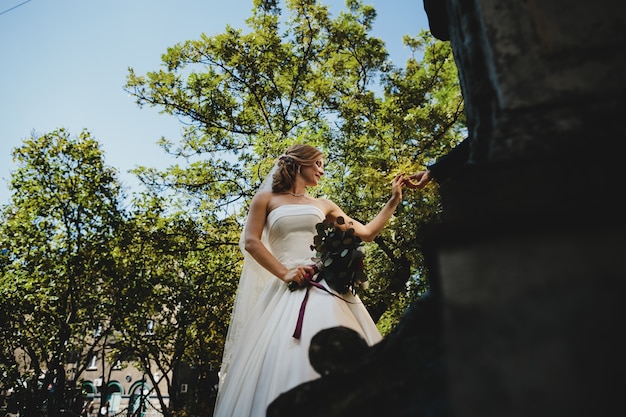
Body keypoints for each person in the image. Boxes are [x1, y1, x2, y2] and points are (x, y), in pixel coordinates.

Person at [213, 144, 406, 417]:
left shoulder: (323, 205)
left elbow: (366, 233)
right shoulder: (266, 199)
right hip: (287, 287)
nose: (322, 171)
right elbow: (252, 242)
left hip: (325, 286)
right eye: (317, 164)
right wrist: (285, 272)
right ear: (298, 163)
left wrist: (393, 201)